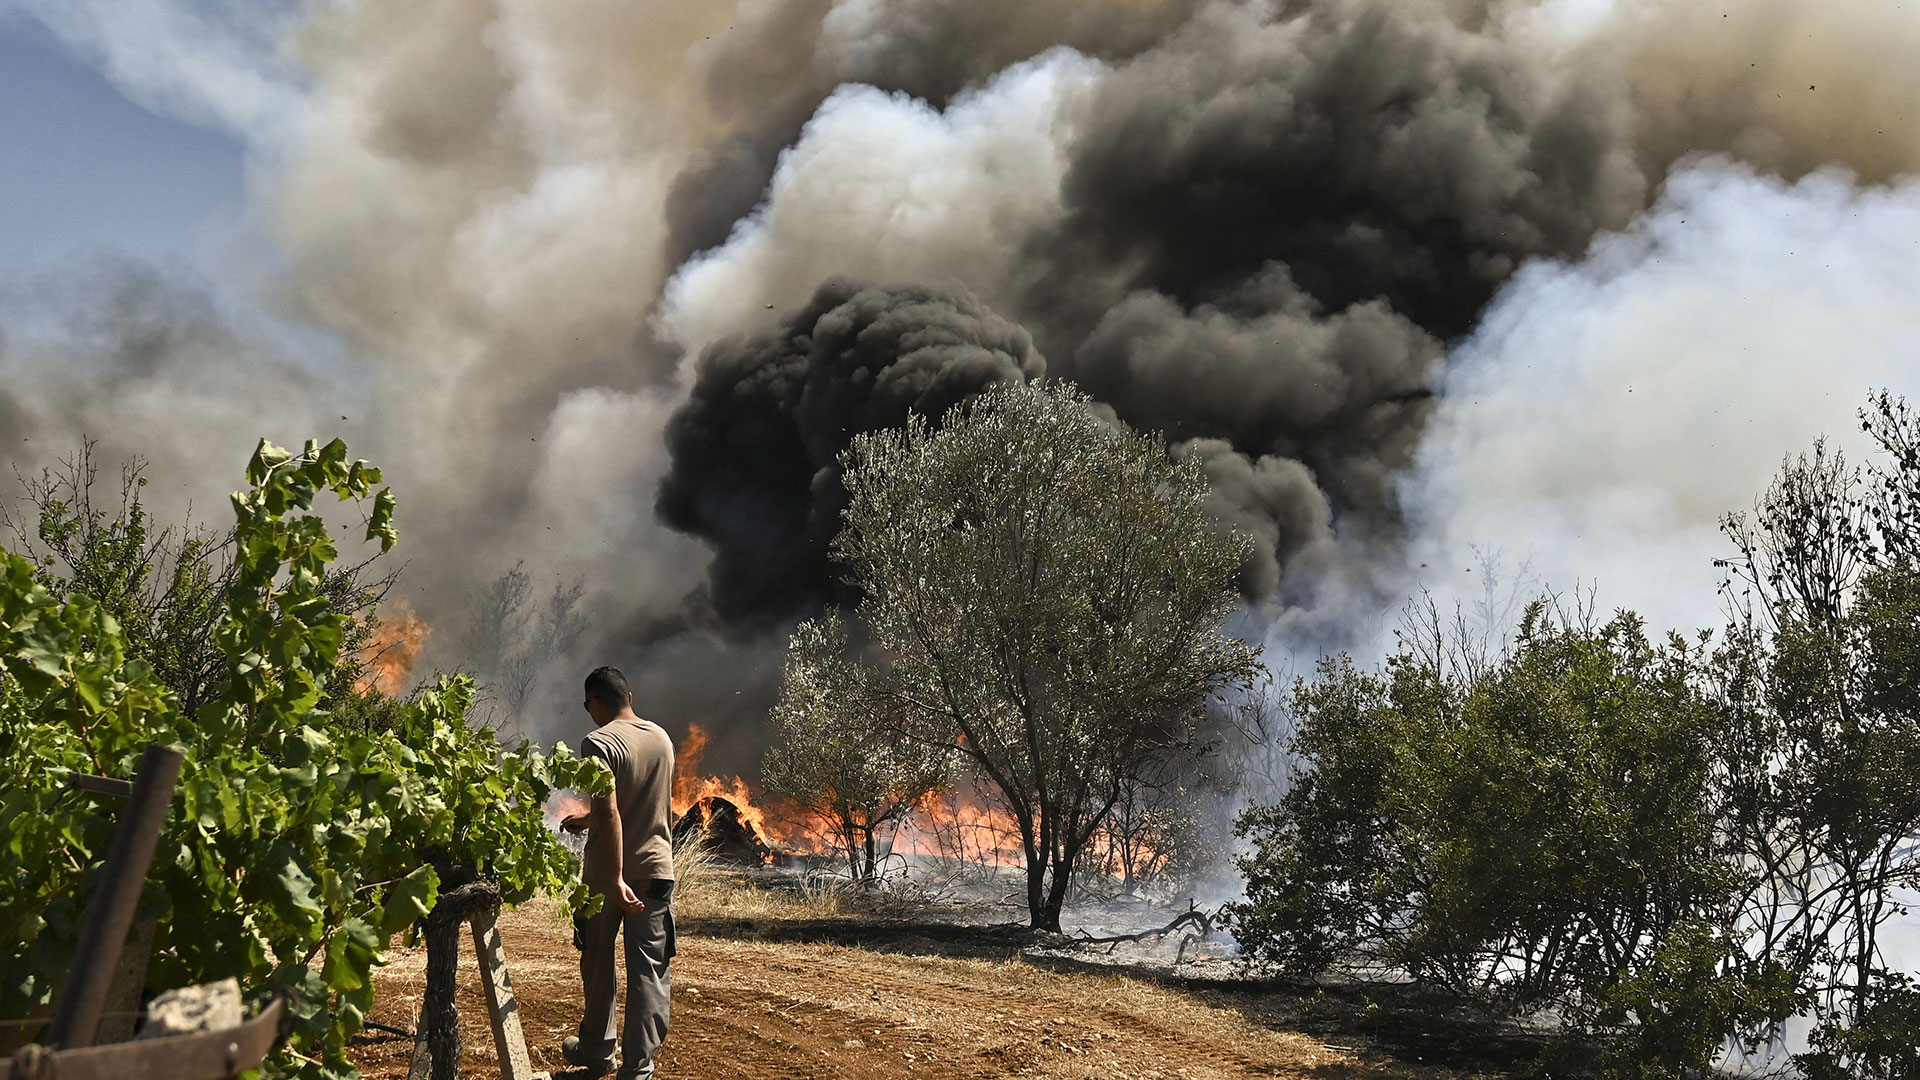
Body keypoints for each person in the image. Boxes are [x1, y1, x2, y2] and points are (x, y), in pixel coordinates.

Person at [559, 666, 676, 1079]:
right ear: (630, 695)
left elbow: (612, 810)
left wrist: (613, 878)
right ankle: (638, 1068)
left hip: (609, 873)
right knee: (649, 969)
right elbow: (637, 803)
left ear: (595, 703)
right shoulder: (661, 738)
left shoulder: (598, 742)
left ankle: (596, 1051)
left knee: (596, 957)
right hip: (658, 870)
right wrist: (587, 819)